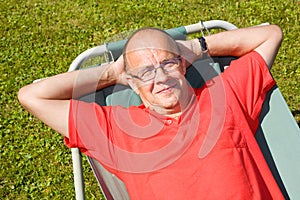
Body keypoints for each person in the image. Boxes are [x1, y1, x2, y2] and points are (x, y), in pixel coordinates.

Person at [18, 24, 283, 199]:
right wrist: (112, 72)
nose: (161, 78)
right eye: (145, 72)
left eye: (167, 64)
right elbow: (32, 96)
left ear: (183, 66)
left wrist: (194, 48)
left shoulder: (225, 95)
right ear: (131, 81)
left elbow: (270, 34)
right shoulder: (117, 130)